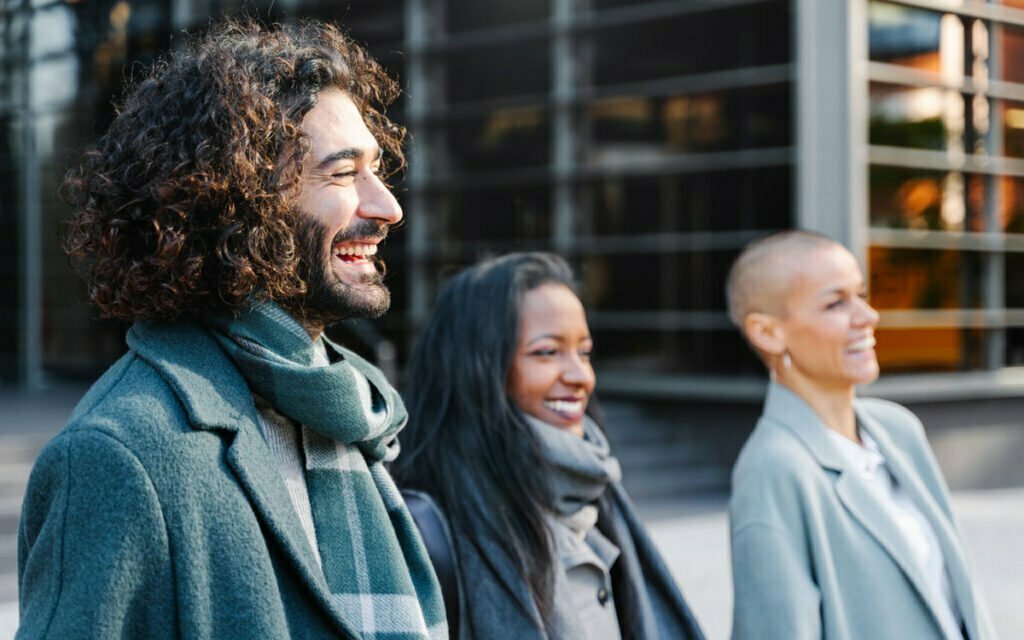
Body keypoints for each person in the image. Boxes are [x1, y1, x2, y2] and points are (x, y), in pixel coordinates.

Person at [17, 18, 446, 640]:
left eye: (375, 169)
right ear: (235, 200)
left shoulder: (350, 415)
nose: (388, 206)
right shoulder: (116, 457)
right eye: (343, 173)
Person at [391, 252, 705, 640]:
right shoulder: (427, 532)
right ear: (478, 368)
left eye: (584, 352)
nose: (579, 376)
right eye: (547, 352)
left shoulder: (596, 497)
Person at [725, 230, 995, 639]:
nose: (868, 317)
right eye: (836, 303)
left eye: (861, 295)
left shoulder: (897, 431)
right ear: (767, 333)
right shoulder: (774, 470)